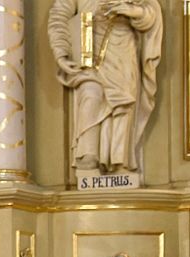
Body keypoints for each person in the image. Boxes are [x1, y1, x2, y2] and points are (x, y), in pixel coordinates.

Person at [47, 0, 162, 174]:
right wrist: (61, 52)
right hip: (88, 46)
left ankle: (119, 161)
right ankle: (88, 152)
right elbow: (59, 14)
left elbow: (150, 12)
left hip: (122, 48)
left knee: (123, 103)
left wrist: (132, 10)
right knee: (90, 94)